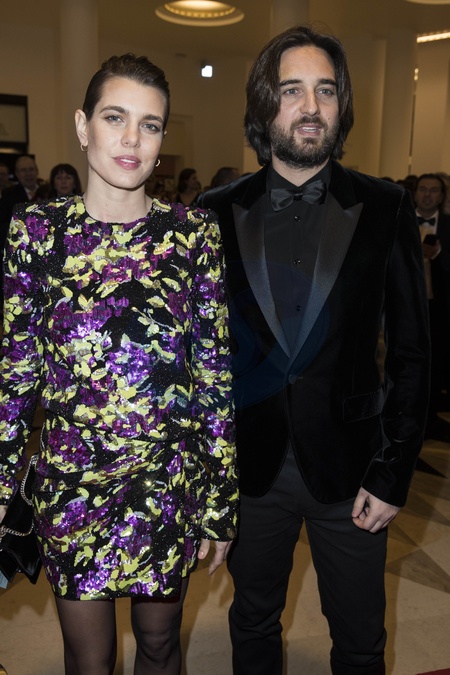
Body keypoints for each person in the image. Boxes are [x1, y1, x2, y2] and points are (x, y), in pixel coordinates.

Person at [199, 25, 430, 675]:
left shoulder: (386, 206)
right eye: (291, 90)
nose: (310, 106)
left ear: (341, 104)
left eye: (325, 90)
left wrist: (392, 472)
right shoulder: (214, 211)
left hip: (354, 472)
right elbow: (199, 358)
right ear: (263, 105)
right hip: (250, 471)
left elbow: (412, 353)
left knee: (360, 640)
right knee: (252, 622)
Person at [0, 53, 238, 675]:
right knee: (90, 659)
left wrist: (219, 501)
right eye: (115, 117)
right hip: (72, 484)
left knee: (160, 645)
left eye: (150, 124)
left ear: (162, 140)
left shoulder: (194, 235)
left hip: (164, 483)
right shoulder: (36, 232)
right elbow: (16, 374)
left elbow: (213, 377)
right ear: (83, 127)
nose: (132, 138)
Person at [415, 172, 450, 441]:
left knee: (438, 358)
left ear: (441, 197)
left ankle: (431, 417)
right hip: (406, 301)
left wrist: (438, 256)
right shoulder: (400, 219)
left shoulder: (448, 225)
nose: (427, 195)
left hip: (440, 304)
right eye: (423, 189)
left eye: (434, 190)